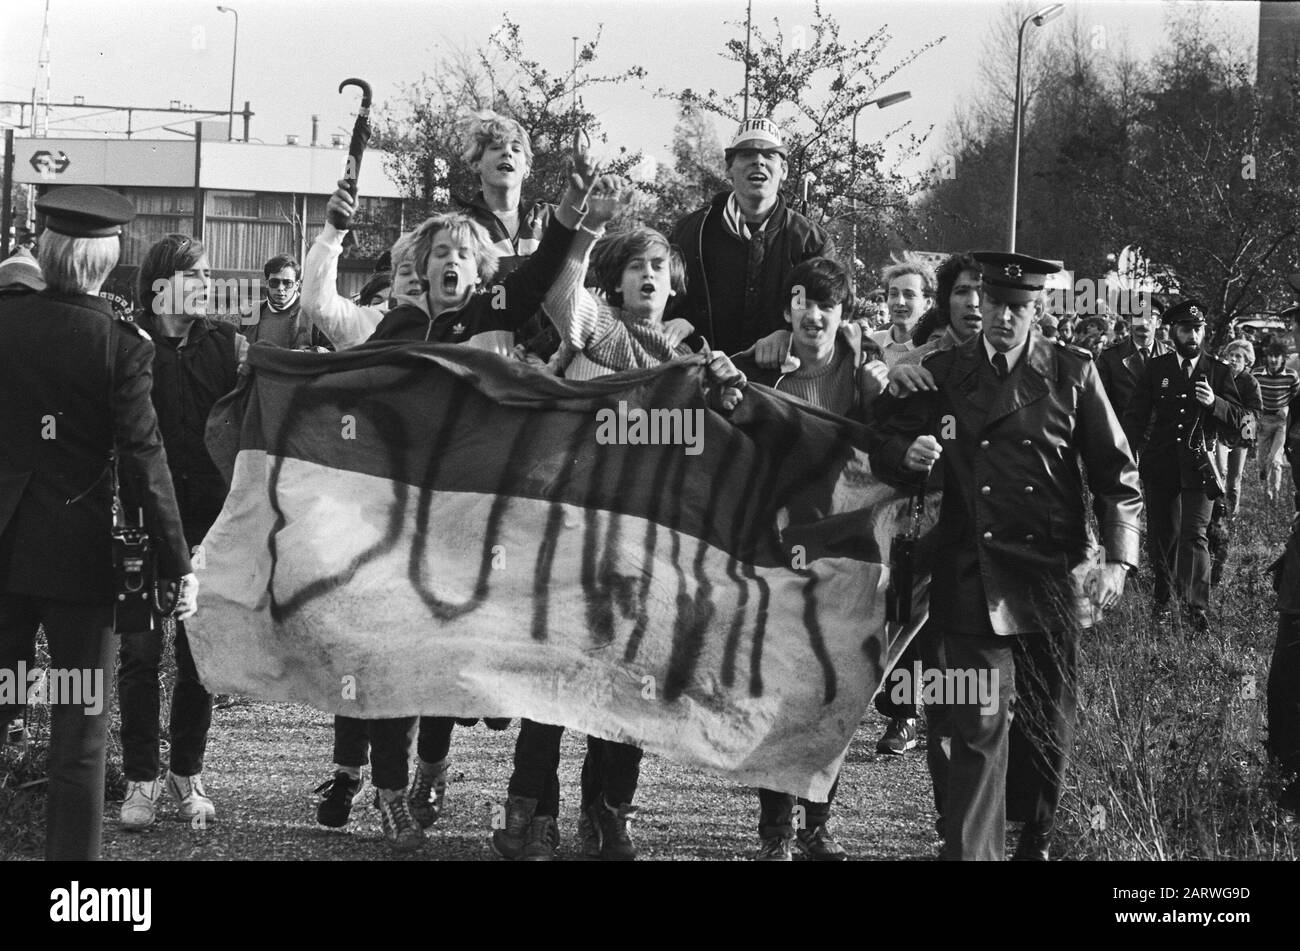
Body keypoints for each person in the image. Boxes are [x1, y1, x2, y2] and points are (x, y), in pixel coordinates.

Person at [356, 135, 607, 853]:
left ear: (482, 271)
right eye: (439, 255)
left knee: (474, 653)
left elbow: (544, 271)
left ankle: (505, 790)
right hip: (410, 519)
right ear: (421, 267)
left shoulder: (498, 310)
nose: (451, 264)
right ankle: (390, 789)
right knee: (398, 655)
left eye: (464, 256)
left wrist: (568, 210)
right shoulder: (397, 330)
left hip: (490, 517)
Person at [493, 185, 742, 862]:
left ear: (675, 284)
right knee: (553, 680)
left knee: (626, 685)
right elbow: (560, 299)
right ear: (618, 278)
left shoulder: (690, 361)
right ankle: (529, 814)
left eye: (660, 266)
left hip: (645, 545)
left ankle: (608, 813)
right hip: (569, 536)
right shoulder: (599, 328)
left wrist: (725, 390)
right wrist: (586, 235)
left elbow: (712, 449)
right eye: (637, 265)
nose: (649, 276)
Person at [870, 251, 1142, 861]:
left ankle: (1033, 837)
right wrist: (900, 443)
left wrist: (1119, 561)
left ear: (1038, 310)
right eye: (993, 303)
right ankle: (972, 852)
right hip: (972, 571)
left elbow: (1116, 473)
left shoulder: (1072, 373)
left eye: (1018, 307)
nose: (1002, 317)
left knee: (1048, 722)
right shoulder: (939, 371)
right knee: (975, 721)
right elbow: (878, 435)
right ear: (979, 304)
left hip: (1055, 572)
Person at [0, 186, 197, 860]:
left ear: (48, 249)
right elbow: (146, 462)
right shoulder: (121, 345)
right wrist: (178, 561)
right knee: (77, 735)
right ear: (108, 261)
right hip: (80, 568)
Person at [730, 256, 886, 860]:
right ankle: (775, 831)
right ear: (787, 309)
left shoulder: (862, 373)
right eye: (802, 302)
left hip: (846, 554)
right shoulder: (765, 366)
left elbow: (890, 444)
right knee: (781, 690)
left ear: (843, 314)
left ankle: (817, 823)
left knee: (834, 691)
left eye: (826, 305)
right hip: (773, 551)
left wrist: (876, 381)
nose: (813, 315)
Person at [117, 234, 246, 830]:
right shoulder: (127, 342)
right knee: (141, 654)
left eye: (210, 274)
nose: (206, 284)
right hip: (137, 522)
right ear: (161, 282)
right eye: (195, 274)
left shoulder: (227, 345)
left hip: (209, 524)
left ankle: (185, 771)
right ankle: (140, 778)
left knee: (199, 659)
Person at [1122, 300, 1243, 632]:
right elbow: (1136, 415)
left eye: (1199, 329)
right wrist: (1126, 453)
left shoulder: (1218, 370)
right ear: (1172, 331)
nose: (1194, 335)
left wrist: (1214, 403)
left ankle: (1195, 607)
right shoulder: (1156, 368)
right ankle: (1162, 602)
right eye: (1187, 329)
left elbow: (1239, 417)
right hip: (1160, 465)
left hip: (1199, 467)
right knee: (1163, 538)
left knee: (1195, 535)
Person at [669, 117, 834, 358]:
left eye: (769, 155)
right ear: (728, 169)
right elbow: (666, 298)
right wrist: (683, 324)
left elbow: (823, 305)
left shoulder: (811, 242)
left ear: (784, 170)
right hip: (700, 379)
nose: (758, 161)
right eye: (747, 154)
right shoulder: (691, 232)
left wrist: (790, 332)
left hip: (778, 384)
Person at [1207, 339, 1262, 586]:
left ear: (1247, 361)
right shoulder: (1220, 377)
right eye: (1231, 355)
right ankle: (1219, 515)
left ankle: (1233, 517)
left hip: (1239, 435)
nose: (1234, 360)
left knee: (1235, 482)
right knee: (1220, 472)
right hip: (1220, 433)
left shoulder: (1250, 382)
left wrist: (1247, 435)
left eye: (1240, 356)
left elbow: (1255, 412)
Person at [1097, 304, 1169, 422]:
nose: (1143, 322)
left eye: (1149, 317)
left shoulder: (1171, 357)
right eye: (1138, 316)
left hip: (1159, 435)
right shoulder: (1110, 358)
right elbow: (1100, 402)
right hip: (1124, 433)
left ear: (1158, 323)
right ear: (1130, 320)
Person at [242, 253, 329, 349]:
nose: (280, 288)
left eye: (287, 283)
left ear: (297, 285)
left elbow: (331, 353)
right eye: (274, 282)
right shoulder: (251, 311)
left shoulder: (314, 314)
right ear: (267, 283)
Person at [1254, 340, 1298, 503]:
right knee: (1261, 460)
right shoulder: (1257, 374)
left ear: (1283, 358)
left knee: (1275, 459)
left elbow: (1296, 397)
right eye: (1270, 356)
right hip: (1263, 420)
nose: (1273, 360)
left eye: (1277, 356)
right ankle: (1264, 489)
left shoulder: (1291, 376)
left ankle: (1275, 493)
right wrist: (1254, 417)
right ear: (1266, 357)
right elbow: (1251, 396)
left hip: (1281, 422)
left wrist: (1287, 407)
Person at [869, 261, 935, 367]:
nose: (899, 302)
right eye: (893, 294)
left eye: (909, 295)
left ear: (927, 303)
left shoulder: (931, 349)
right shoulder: (874, 342)